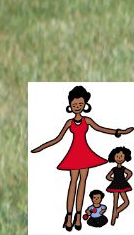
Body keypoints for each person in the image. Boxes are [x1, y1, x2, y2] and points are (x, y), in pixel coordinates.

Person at [33, 86, 132, 231]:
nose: (77, 107)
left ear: (85, 104)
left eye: (80, 104)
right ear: (70, 106)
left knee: (82, 184)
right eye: (74, 105)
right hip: (74, 154)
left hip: (85, 154)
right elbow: (57, 139)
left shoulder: (87, 120)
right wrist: (42, 147)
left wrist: (119, 131)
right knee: (73, 183)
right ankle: (68, 215)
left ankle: (78, 216)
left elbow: (101, 129)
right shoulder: (69, 123)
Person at [104, 147, 132, 226]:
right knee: (116, 202)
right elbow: (107, 177)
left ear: (125, 157)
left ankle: (116, 212)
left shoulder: (123, 168)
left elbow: (130, 173)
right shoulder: (114, 169)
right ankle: (113, 218)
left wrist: (124, 180)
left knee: (125, 202)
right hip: (117, 185)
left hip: (120, 185)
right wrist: (116, 179)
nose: (119, 158)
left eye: (121, 156)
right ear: (114, 157)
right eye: (117, 156)